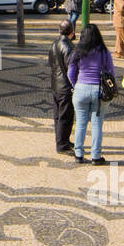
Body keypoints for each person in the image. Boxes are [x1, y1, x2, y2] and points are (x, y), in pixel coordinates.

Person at [67, 24, 115, 165]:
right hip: (98, 91)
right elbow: (110, 72)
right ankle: (95, 156)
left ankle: (79, 154)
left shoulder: (77, 51)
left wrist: (75, 85)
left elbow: (70, 72)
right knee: (96, 124)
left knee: (80, 123)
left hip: (80, 89)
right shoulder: (104, 52)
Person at [47, 20, 77, 153]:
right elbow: (72, 68)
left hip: (55, 84)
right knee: (66, 116)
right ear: (72, 31)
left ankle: (62, 139)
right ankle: (62, 144)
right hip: (65, 86)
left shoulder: (54, 44)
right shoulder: (69, 47)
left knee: (58, 115)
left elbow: (51, 63)